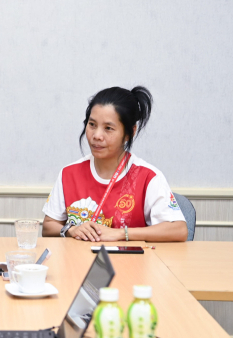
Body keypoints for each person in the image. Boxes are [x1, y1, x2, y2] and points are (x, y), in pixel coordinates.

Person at [42, 86, 187, 242]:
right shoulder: (69, 174)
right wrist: (72, 229)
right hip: (78, 263)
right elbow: (48, 226)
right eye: (92, 125)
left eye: (108, 128)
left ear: (130, 133)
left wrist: (120, 234)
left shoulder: (148, 177)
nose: (97, 136)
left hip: (132, 264)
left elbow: (178, 230)